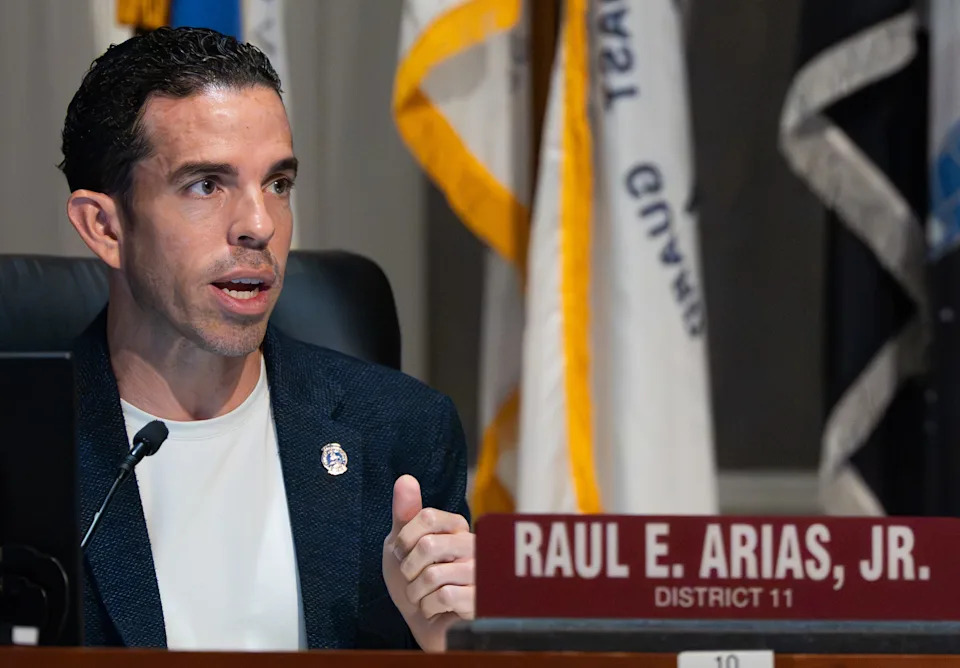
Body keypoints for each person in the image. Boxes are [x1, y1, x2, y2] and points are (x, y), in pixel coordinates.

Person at [60, 26, 474, 652]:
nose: (259, 225)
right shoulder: (21, 448)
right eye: (206, 185)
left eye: (277, 184)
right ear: (105, 228)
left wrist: (445, 647)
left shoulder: (401, 433)